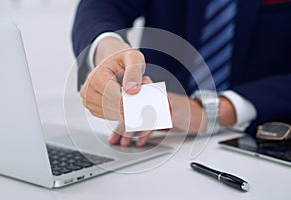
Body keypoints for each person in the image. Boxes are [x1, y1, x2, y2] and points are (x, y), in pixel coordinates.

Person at [72, 0, 291, 147]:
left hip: (262, 141)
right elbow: (103, 4)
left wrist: (211, 110)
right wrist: (106, 48)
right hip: (159, 140)